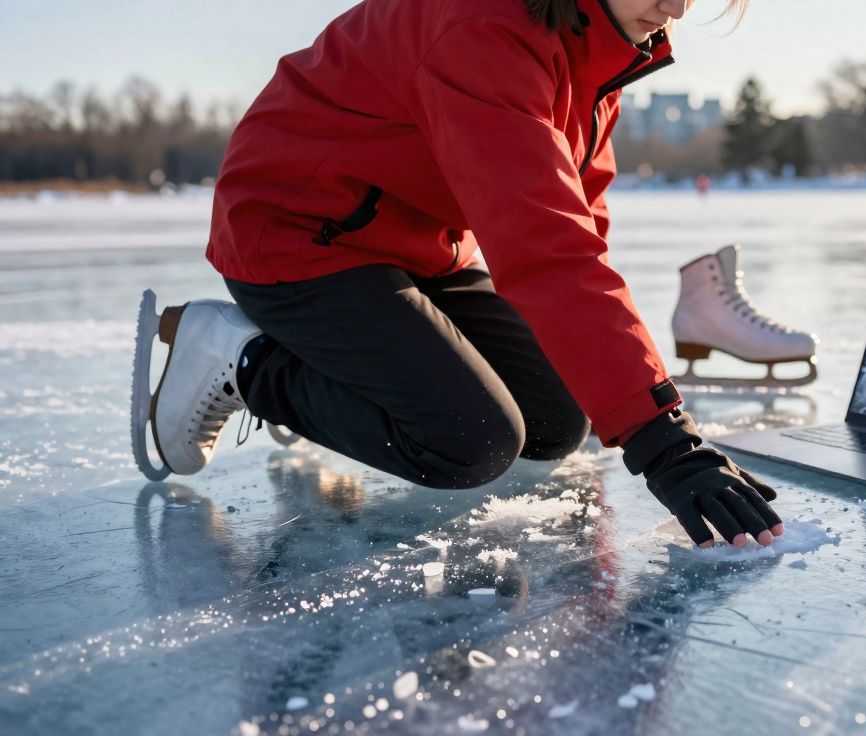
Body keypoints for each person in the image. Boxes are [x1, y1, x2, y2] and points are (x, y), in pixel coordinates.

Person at [141, 0, 784, 550]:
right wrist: (666, 441)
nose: (676, 7)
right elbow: (546, 247)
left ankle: (331, 358)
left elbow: (578, 228)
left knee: (560, 419)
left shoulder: (599, 49)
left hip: (418, 246)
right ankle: (246, 362)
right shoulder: (483, 24)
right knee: (468, 440)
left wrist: (630, 400)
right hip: (299, 228)